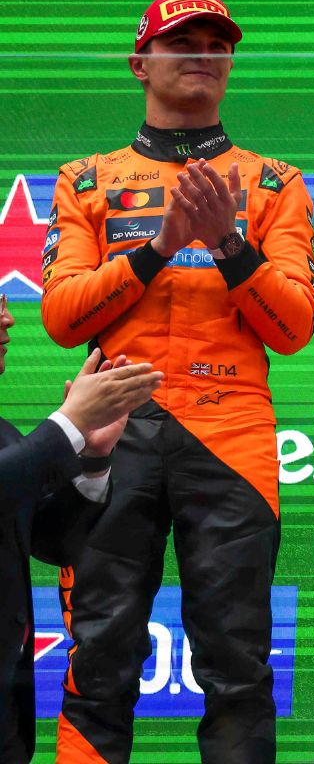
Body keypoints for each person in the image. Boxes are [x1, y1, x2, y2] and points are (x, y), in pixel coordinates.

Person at [40, 0, 314, 764]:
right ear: (141, 63)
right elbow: (61, 317)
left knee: (237, 667)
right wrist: (158, 246)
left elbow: (293, 327)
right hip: (109, 433)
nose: (202, 55)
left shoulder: (273, 184)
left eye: (217, 44)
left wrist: (229, 243)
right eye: (180, 41)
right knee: (97, 659)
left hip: (232, 436)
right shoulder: (86, 180)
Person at [0, 294, 159, 762]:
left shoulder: (5, 435)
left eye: (6, 302)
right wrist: (68, 424)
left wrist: (93, 458)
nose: (8, 318)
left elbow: (52, 541)